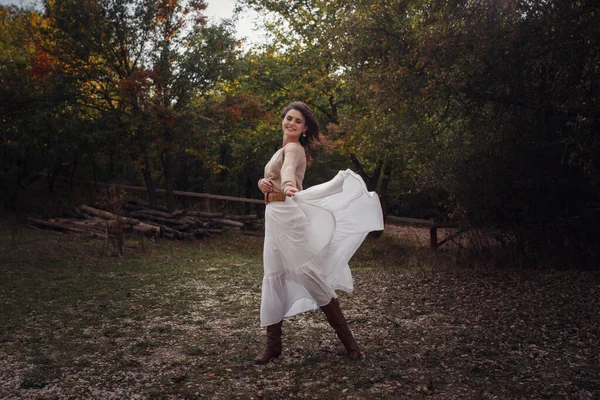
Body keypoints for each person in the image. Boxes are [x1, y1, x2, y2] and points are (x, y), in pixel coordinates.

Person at [255, 101, 384, 364]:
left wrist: (289, 186)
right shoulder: (281, 149)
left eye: (298, 121)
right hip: (274, 216)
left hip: (288, 216)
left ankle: (350, 343)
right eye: (288, 118)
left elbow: (289, 173)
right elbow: (275, 178)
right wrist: (263, 184)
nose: (291, 123)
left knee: (309, 274)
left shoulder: (293, 148)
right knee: (273, 275)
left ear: (304, 129)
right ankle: (273, 345)